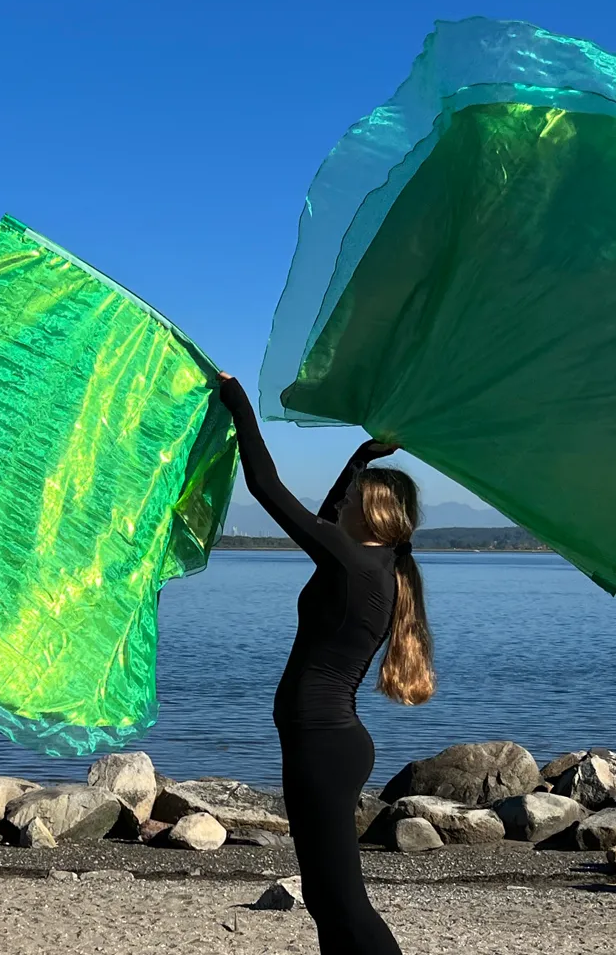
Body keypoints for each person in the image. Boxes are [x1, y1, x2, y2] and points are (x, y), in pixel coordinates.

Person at [217, 373, 436, 955]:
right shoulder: (372, 564)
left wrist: (237, 401)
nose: (342, 508)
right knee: (323, 897)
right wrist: (359, 456)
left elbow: (266, 487)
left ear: (372, 514)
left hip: (325, 745)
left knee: (341, 901)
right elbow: (322, 514)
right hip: (321, 742)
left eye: (356, 496)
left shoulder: (356, 566)